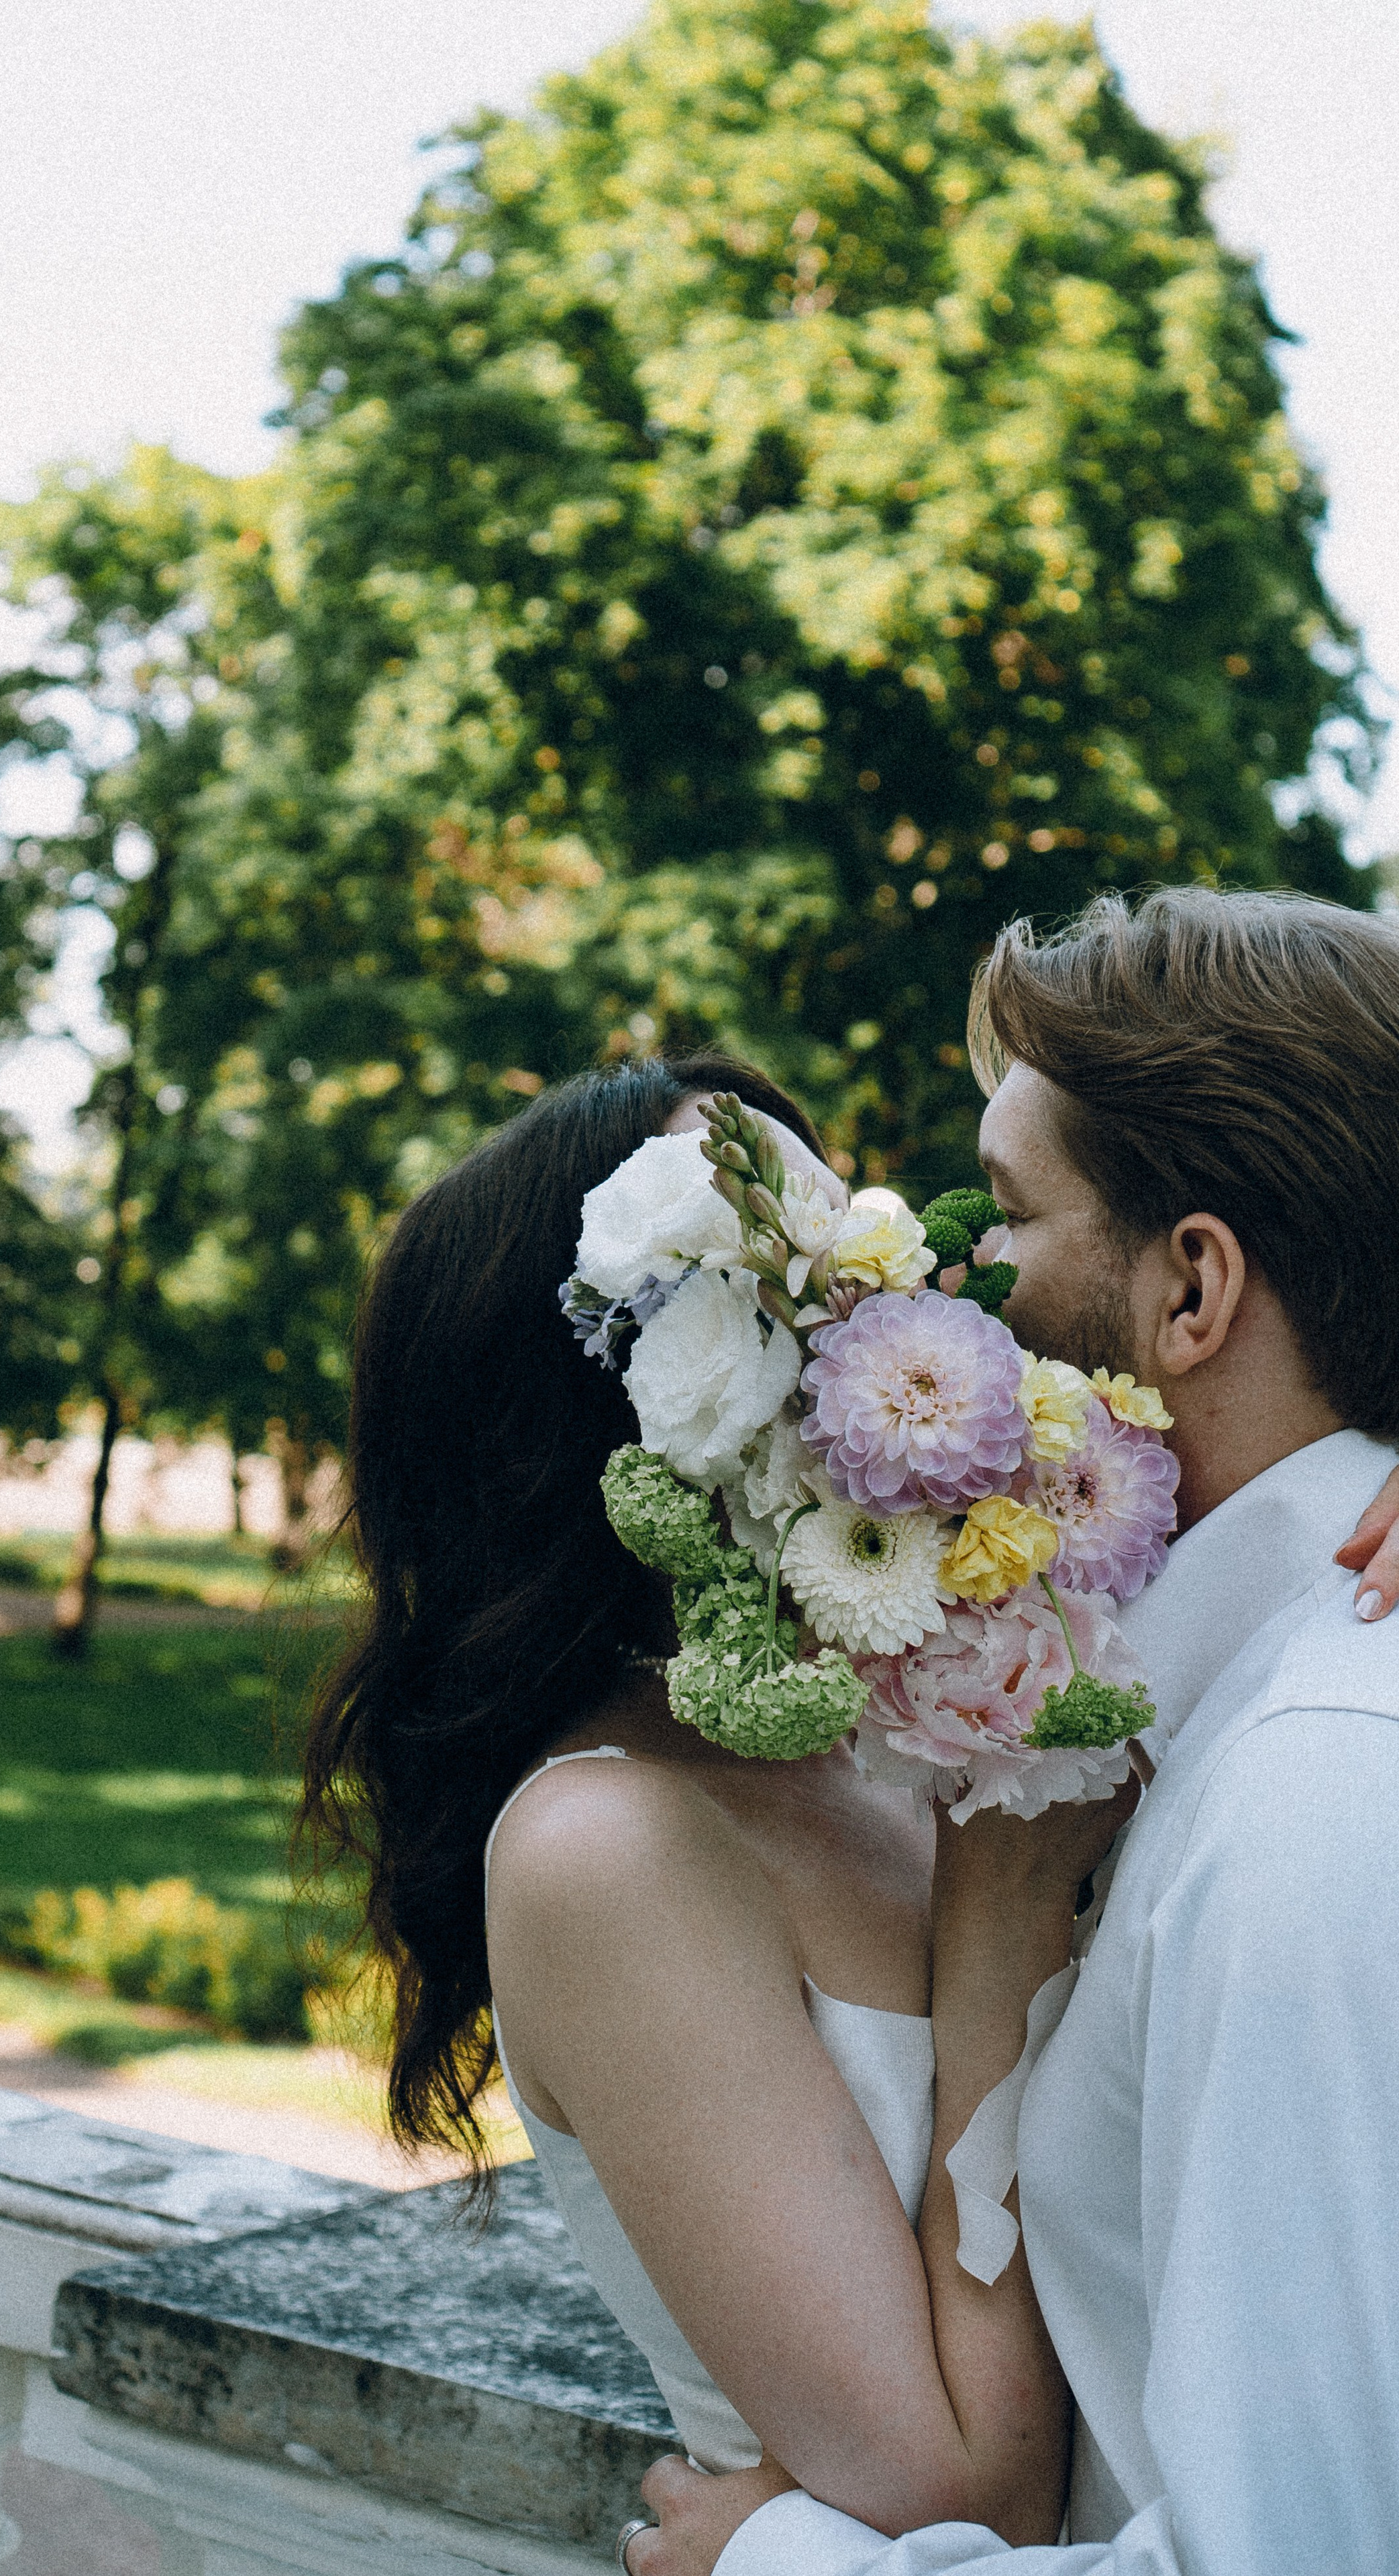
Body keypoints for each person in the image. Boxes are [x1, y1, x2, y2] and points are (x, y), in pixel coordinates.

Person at [632, 887, 1399, 2576]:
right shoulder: (1213, 1725)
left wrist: (778, 2565)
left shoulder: (1309, 1795)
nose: (956, 1295)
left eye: (1003, 1219)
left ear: (1190, 1289)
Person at [303, 1045, 1133, 2547]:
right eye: (785, 1282)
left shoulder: (921, 1723)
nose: (884, 1318)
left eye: (851, 1246)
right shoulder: (606, 1849)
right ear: (607, 1403)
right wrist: (995, 1950)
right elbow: (960, 2502)